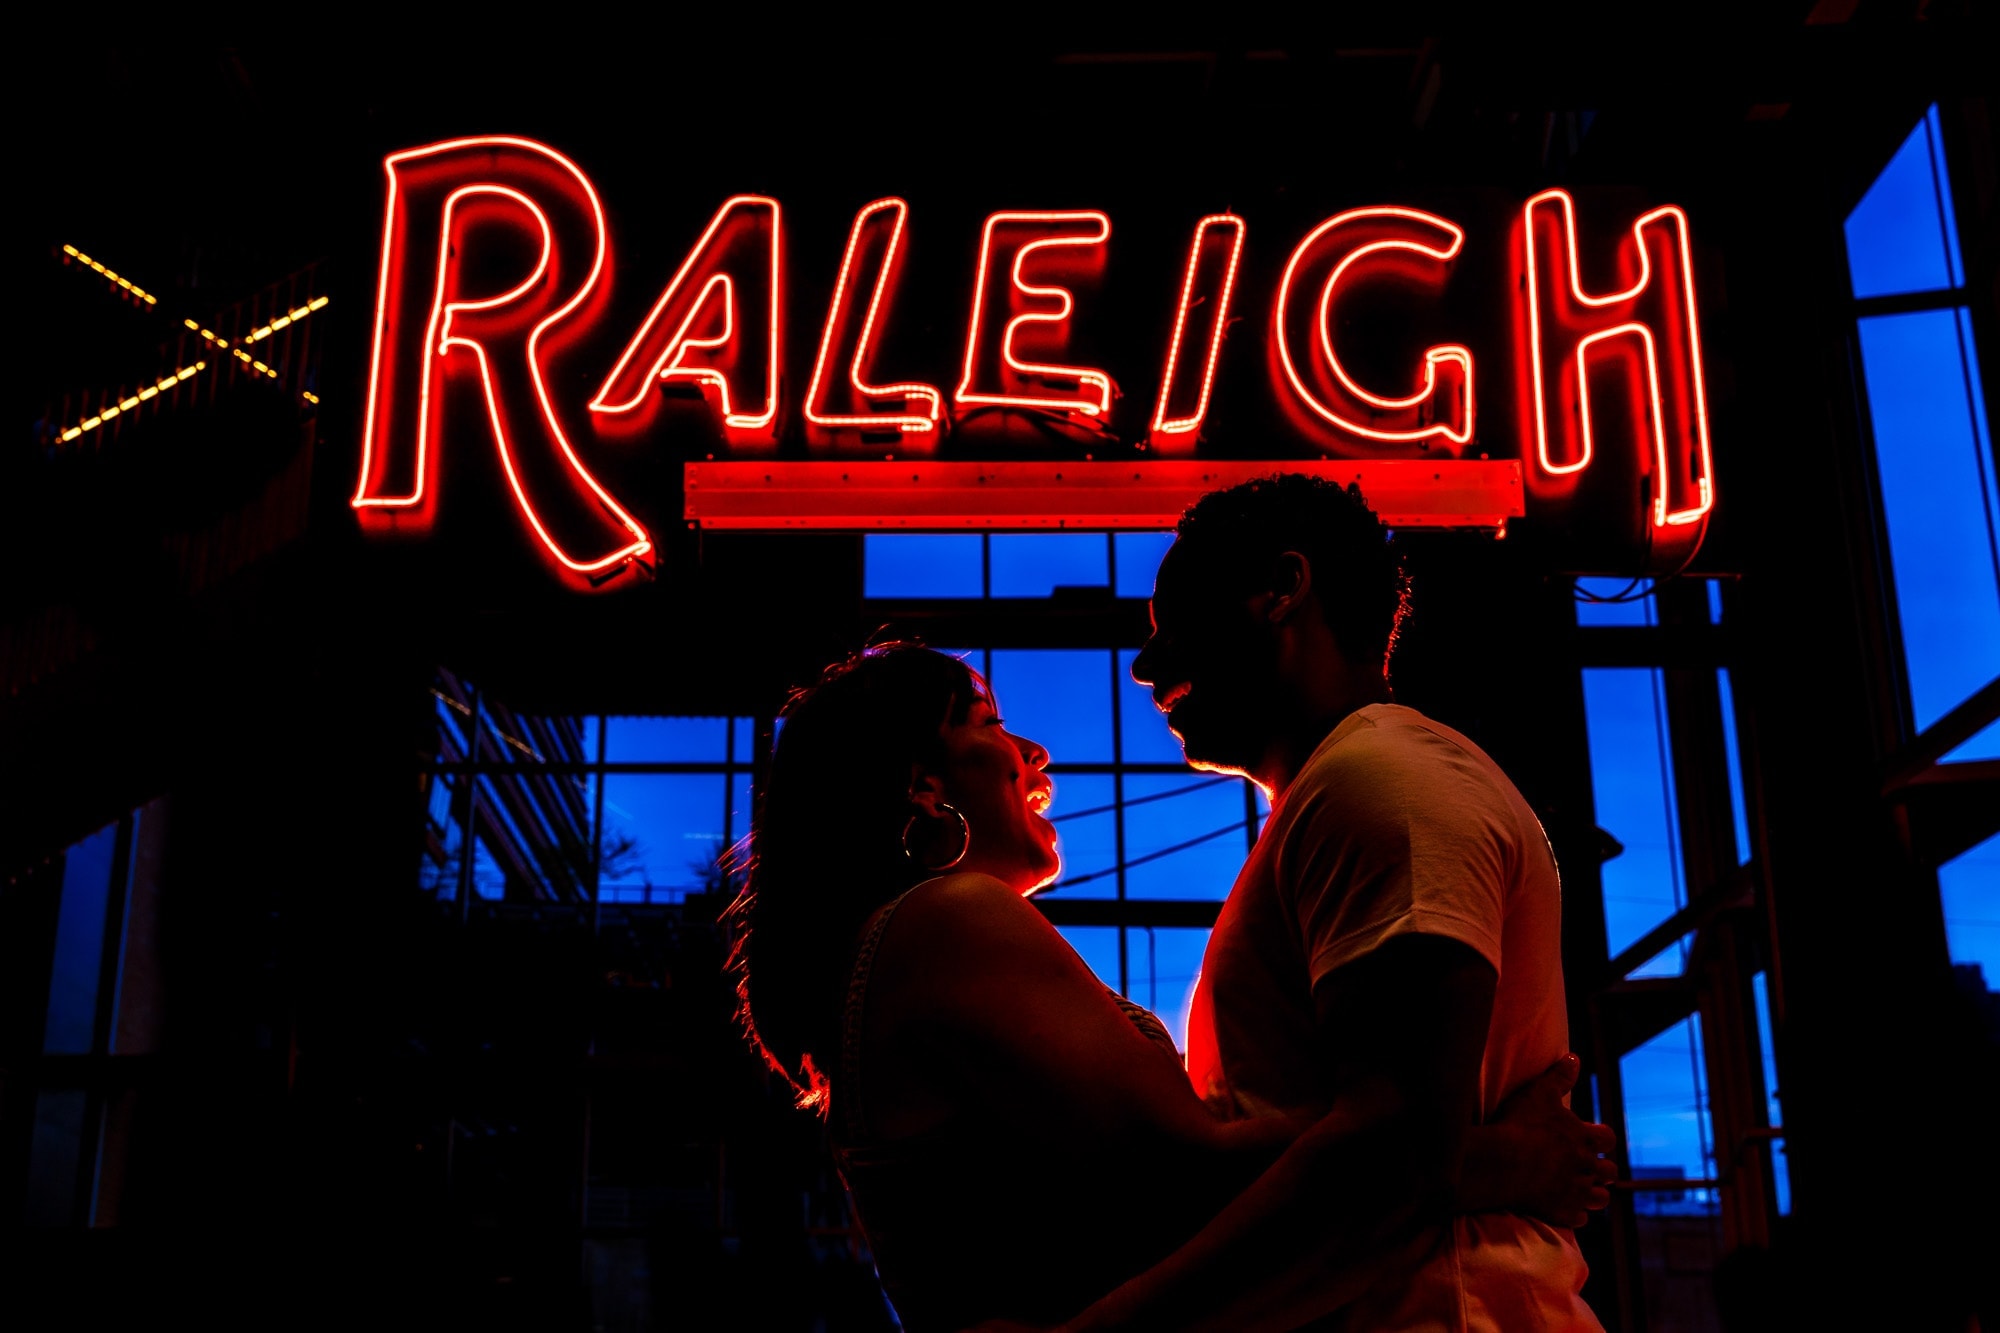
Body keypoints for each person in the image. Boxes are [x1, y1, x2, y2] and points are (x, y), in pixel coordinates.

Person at [729, 635, 1613, 1329]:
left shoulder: (895, 961)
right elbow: (1183, 1174)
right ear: (924, 788)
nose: (1033, 751)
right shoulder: (946, 918)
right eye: (988, 723)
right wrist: (1487, 1152)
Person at [1076, 473, 1605, 1331]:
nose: (1144, 665)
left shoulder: (1383, 784)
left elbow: (1393, 1158)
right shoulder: (1353, 791)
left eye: (1173, 617)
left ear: (1283, 590)